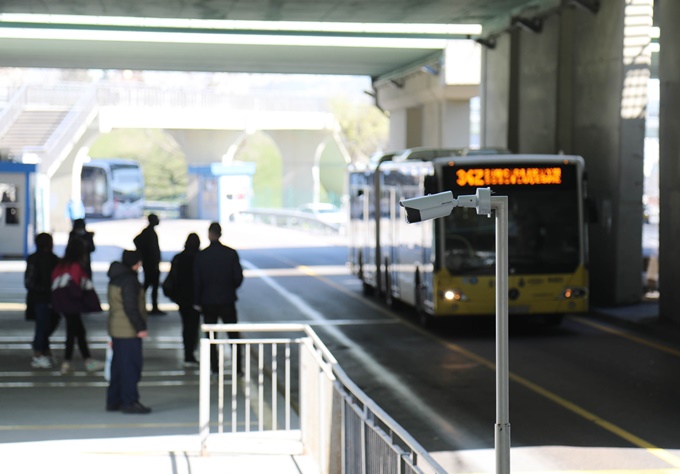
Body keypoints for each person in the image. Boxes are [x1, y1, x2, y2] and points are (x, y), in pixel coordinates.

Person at [193, 222, 244, 375]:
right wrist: (229, 289)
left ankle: (214, 368)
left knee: (211, 336)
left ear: (209, 234)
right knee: (233, 335)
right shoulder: (230, 253)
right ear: (220, 234)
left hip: (208, 301)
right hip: (227, 300)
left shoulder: (201, 255)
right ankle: (238, 368)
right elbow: (238, 277)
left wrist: (197, 301)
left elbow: (197, 281)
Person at [106, 249, 151, 414]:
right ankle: (130, 401)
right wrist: (140, 327)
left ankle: (114, 400)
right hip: (128, 331)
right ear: (135, 264)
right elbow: (131, 307)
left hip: (116, 329)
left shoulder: (116, 278)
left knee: (117, 367)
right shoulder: (130, 281)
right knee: (131, 367)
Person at [51, 237, 104, 375]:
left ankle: (83, 361)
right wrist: (84, 299)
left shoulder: (61, 264)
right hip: (72, 304)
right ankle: (71, 362)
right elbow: (75, 287)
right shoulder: (75, 266)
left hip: (62, 303)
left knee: (78, 332)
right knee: (74, 333)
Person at [25, 233, 60, 369]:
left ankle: (43, 349)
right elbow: (30, 281)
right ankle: (39, 353)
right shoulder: (47, 259)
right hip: (43, 298)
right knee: (43, 325)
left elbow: (29, 281)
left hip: (41, 297)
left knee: (45, 324)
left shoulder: (39, 259)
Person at [167, 233, 201, 366]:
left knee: (186, 325)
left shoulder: (178, 258)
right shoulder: (199, 258)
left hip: (181, 298)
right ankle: (191, 352)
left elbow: (173, 277)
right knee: (193, 325)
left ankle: (188, 352)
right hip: (195, 298)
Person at [134, 213, 165, 315]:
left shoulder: (150, 232)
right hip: (150, 264)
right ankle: (142, 304)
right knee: (149, 285)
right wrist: (144, 254)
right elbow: (137, 241)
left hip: (151, 263)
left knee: (152, 285)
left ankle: (152, 306)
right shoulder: (148, 232)